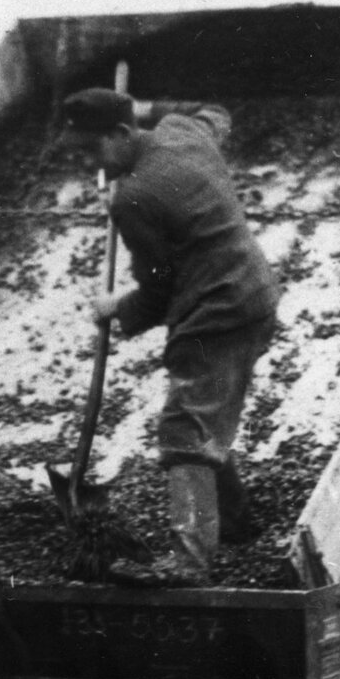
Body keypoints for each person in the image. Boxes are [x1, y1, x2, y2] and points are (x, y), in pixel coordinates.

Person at [62, 87, 282, 583]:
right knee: (207, 417)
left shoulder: (134, 197)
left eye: (92, 151)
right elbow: (216, 109)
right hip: (254, 294)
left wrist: (116, 308)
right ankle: (238, 525)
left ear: (120, 135)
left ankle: (189, 562)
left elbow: (158, 291)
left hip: (216, 310)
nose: (89, 165)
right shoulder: (182, 133)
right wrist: (142, 107)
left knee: (183, 430)